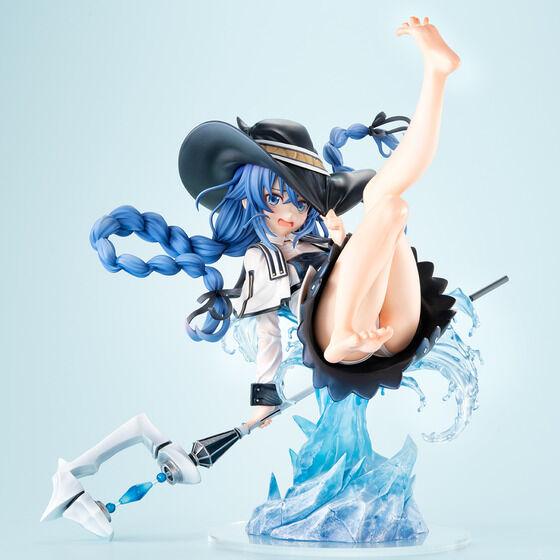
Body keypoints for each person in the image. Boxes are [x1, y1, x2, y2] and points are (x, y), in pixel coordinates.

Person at [91, 16, 459, 429]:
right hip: (336, 338)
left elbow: (370, 258)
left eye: (301, 201)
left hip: (392, 331)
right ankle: (345, 332)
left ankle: (436, 74)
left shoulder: (320, 241)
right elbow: (268, 332)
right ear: (247, 200)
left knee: (391, 206)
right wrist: (262, 403)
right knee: (379, 203)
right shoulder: (262, 258)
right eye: (273, 198)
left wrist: (342, 244)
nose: (290, 213)